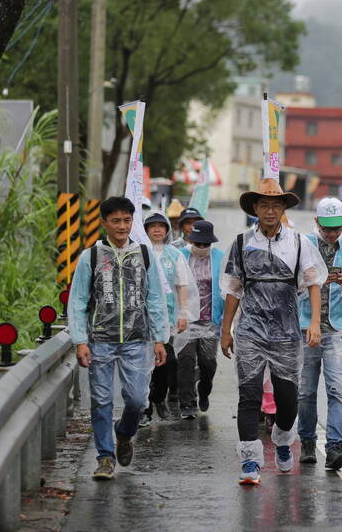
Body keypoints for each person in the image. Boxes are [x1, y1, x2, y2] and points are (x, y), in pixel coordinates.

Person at [220, 178, 327, 486]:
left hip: (286, 333)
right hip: (250, 331)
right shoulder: (241, 243)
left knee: (288, 398)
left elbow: (314, 282)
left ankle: (282, 441)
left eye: (275, 205)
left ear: (283, 208)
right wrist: (226, 330)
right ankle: (250, 460)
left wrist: (315, 323)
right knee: (249, 396)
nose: (270, 210)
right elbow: (233, 289)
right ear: (255, 208)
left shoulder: (298, 242)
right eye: (264, 205)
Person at [68, 196, 169, 481]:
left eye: (127, 220)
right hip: (100, 339)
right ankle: (105, 457)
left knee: (137, 400)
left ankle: (124, 434)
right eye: (116, 221)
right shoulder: (91, 256)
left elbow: (155, 299)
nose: (122, 226)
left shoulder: (144, 255)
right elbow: (78, 301)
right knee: (100, 400)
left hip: (137, 340)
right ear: (103, 223)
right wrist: (80, 340)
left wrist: (160, 338)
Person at [297, 198, 342, 470]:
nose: (331, 234)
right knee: (305, 391)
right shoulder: (302, 245)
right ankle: (306, 441)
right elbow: (290, 287)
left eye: (337, 228)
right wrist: (312, 282)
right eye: (327, 228)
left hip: (338, 329)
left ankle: (336, 447)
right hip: (305, 327)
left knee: (337, 389)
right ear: (316, 222)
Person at [141, 209, 198, 422]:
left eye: (161, 226)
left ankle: (158, 397)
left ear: (167, 230)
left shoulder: (175, 255)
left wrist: (183, 313)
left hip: (167, 319)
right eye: (152, 226)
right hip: (142, 320)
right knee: (144, 364)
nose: (157, 230)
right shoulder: (139, 252)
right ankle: (145, 410)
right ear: (145, 230)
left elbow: (182, 285)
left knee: (167, 362)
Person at [177, 220, 225, 418]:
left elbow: (227, 287)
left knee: (208, 362)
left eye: (206, 244)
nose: (202, 248)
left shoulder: (220, 258)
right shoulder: (181, 256)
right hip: (187, 319)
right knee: (186, 360)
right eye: (198, 244)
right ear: (191, 241)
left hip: (209, 320)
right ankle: (187, 402)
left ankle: (204, 390)